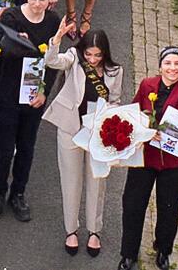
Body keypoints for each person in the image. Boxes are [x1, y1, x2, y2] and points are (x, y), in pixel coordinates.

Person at [119, 32, 178, 270]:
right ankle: (128, 253)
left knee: (169, 207)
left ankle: (163, 249)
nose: (172, 68)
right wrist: (144, 132)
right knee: (133, 204)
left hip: (174, 159)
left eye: (177, 64)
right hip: (147, 154)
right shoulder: (147, 85)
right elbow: (135, 112)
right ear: (160, 67)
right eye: (168, 63)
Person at [0, 0, 67, 225]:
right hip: (9, 90)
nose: (36, 4)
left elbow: (52, 64)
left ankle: (18, 193)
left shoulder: (53, 21)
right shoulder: (12, 16)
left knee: (27, 147)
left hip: (34, 93)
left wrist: (45, 92)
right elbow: (8, 51)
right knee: (4, 146)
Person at [46, 27, 124, 256]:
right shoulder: (73, 58)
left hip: (97, 132)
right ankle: (71, 230)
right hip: (71, 127)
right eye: (89, 54)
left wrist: (113, 119)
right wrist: (57, 38)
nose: (92, 59)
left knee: (97, 182)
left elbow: (116, 99)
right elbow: (52, 61)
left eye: (97, 55)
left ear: (105, 54)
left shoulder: (115, 71)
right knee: (70, 181)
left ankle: (94, 231)